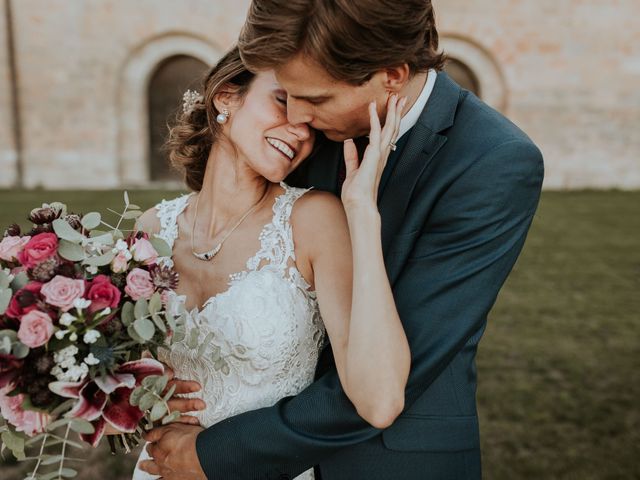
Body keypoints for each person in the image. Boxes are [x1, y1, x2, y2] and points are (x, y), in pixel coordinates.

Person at [141, 0, 544, 479]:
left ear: (391, 75)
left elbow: (407, 364)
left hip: (391, 460)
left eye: (314, 100)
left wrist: (219, 453)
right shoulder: (307, 115)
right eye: (285, 95)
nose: (299, 120)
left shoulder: (492, 162)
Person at [133, 45, 410, 480]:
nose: (300, 129)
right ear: (226, 96)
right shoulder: (151, 230)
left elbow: (380, 400)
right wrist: (139, 391)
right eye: (282, 100)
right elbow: (112, 373)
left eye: (312, 122)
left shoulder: (313, 219)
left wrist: (361, 211)